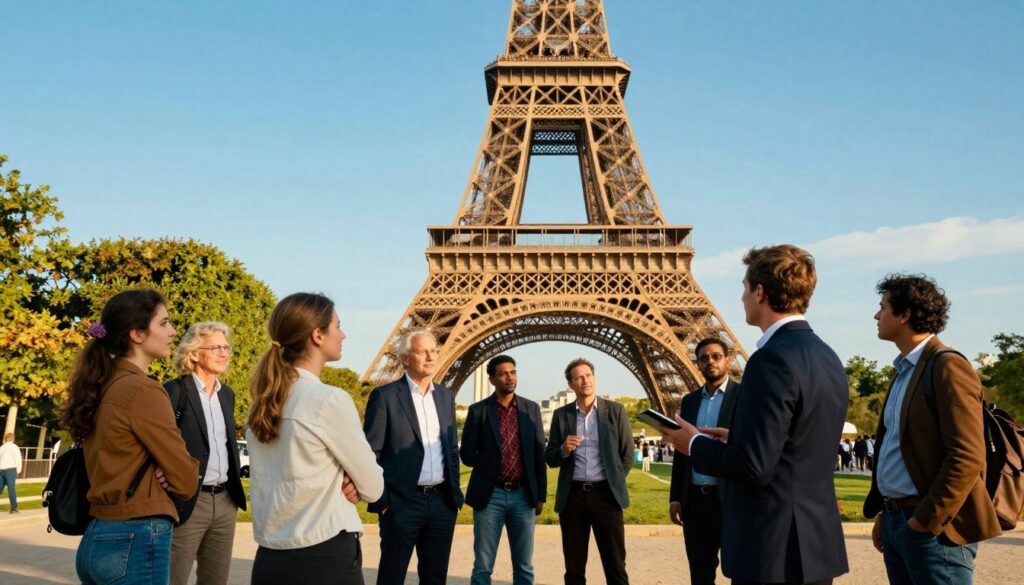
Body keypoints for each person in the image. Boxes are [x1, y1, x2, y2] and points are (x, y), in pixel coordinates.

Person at [661, 244, 849, 585]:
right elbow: (797, 444)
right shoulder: (827, 357)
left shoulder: (770, 360)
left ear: (760, 292)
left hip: (773, 547)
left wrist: (695, 445)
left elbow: (754, 468)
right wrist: (739, 439)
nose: (742, 297)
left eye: (744, 288)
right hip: (814, 545)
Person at [864, 274, 1001, 584]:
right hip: (899, 521)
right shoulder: (904, 371)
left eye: (883, 307)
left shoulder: (947, 366)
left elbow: (967, 456)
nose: (876, 315)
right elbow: (901, 450)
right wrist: (888, 514)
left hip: (933, 531)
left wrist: (925, 520)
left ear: (905, 314)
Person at [59, 289, 200, 585]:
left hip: (97, 535)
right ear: (136, 334)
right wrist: (171, 473)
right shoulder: (142, 390)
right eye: (164, 323)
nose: (173, 331)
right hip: (135, 536)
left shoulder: (103, 384)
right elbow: (185, 479)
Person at [246, 292, 384, 585]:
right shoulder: (329, 400)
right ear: (317, 336)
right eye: (337, 326)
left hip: (269, 558)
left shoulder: (261, 404)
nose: (343, 334)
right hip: (323, 557)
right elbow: (373, 486)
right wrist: (349, 478)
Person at [363, 330, 464, 585]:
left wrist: (454, 496)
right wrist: (384, 502)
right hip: (401, 504)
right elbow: (370, 453)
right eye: (423, 351)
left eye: (434, 350)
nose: (431, 356)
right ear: (405, 358)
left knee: (435, 578)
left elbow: (451, 449)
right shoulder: (384, 397)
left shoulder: (444, 397)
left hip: (442, 503)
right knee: (392, 577)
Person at [164, 322, 247, 585]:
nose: (224, 353)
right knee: (172, 578)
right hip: (188, 500)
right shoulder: (174, 391)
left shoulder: (228, 395)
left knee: (216, 580)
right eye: (216, 347)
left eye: (226, 347)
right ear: (195, 353)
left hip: (225, 502)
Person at [460, 355, 547, 585]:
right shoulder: (478, 410)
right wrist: (490, 462)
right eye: (503, 373)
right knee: (483, 566)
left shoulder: (531, 409)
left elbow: (539, 455)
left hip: (523, 495)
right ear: (492, 379)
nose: (510, 377)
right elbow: (466, 453)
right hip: (491, 495)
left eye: (513, 372)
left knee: (525, 567)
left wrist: (541, 496)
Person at [546, 358, 633, 585]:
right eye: (578, 377)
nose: (585, 381)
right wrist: (564, 449)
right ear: (570, 385)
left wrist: (612, 481)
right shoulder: (561, 415)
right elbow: (550, 458)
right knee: (574, 569)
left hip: (606, 495)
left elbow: (627, 455)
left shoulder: (615, 411)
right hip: (573, 497)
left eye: (588, 375)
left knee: (615, 565)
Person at [669, 337, 739, 585]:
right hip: (696, 499)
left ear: (727, 359)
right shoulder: (689, 401)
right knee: (699, 572)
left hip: (731, 497)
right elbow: (681, 451)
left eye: (716, 356)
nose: (710, 361)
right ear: (697, 364)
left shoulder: (744, 396)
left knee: (740, 571)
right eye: (704, 358)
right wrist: (676, 496)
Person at [0, 432, 23, 513]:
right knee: (11, 489)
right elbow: (18, 459)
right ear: (13, 438)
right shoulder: (15, 447)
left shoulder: (2, 447)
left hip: (1, 469)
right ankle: (13, 507)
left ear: (6, 438)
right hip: (10, 469)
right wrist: (18, 470)